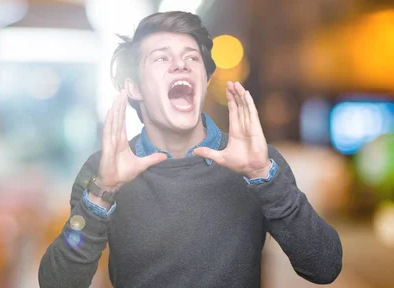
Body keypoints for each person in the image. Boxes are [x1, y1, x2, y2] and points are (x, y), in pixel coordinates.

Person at [39, 11, 342, 288]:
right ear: (135, 88)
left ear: (205, 79)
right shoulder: (102, 170)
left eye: (192, 58)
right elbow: (57, 282)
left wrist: (263, 175)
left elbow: (324, 266)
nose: (181, 64)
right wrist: (100, 194)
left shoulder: (259, 163)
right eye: (161, 58)